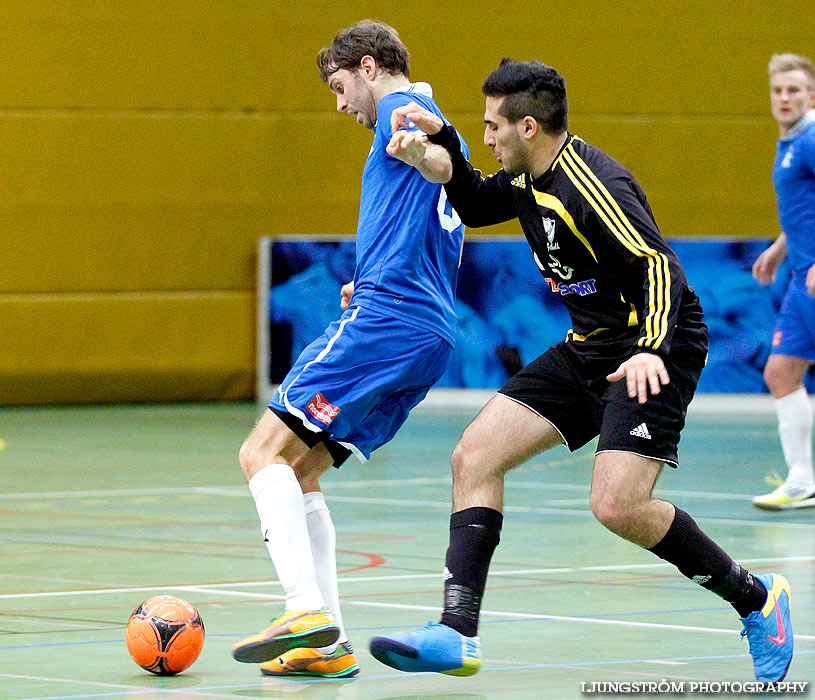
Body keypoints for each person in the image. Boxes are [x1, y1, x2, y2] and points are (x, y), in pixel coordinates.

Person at [368, 59, 794, 684]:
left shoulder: (594, 185)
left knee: (618, 506)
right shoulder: (527, 175)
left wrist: (649, 347)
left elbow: (659, 268)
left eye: (492, 127)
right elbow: (477, 197)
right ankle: (455, 632)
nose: (486, 136)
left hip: (658, 345)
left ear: (529, 127)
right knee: (474, 457)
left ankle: (758, 600)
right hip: (589, 345)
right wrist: (439, 157)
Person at [231, 20, 467, 678]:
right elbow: (441, 201)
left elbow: (435, 161)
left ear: (368, 67)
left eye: (339, 87)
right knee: (300, 470)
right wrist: (371, 277)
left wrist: (427, 153)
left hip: (387, 321)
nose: (339, 105)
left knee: (260, 453)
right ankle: (325, 647)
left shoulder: (400, 108)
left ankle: (304, 610)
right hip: (425, 328)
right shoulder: (431, 117)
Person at [751, 53, 815, 510]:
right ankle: (801, 481)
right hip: (800, 281)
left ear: (811, 95)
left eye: (794, 89)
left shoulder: (811, 139)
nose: (785, 97)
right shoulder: (789, 143)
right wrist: (779, 248)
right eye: (778, 90)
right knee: (781, 372)